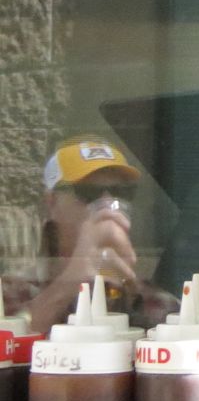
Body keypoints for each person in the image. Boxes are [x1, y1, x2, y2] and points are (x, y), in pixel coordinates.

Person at [2, 136, 176, 331]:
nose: (107, 204)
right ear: (51, 203)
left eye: (121, 192)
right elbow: (9, 338)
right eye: (88, 192)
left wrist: (131, 294)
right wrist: (70, 281)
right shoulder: (14, 290)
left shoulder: (154, 300)